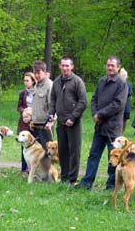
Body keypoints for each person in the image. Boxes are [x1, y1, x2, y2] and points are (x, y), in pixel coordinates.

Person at [77, 56, 127, 190]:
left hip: (113, 128)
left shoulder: (122, 84)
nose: (110, 68)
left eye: (113, 65)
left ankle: (111, 185)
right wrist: (95, 114)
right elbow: (94, 99)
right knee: (93, 155)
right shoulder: (101, 81)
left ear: (118, 67)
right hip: (99, 127)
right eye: (108, 65)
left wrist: (100, 114)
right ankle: (86, 183)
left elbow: (118, 104)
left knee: (114, 158)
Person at [49, 57, 87, 185]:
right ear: (60, 66)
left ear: (72, 67)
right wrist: (51, 113)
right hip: (60, 122)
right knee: (63, 151)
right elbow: (53, 99)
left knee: (74, 151)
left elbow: (83, 102)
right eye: (63, 65)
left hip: (73, 123)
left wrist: (73, 117)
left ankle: (72, 178)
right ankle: (64, 177)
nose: (65, 68)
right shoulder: (57, 82)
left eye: (67, 66)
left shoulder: (77, 81)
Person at [17, 72, 36, 173]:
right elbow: (19, 107)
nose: (25, 82)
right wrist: (24, 111)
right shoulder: (22, 93)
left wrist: (32, 113)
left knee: (33, 144)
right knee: (23, 144)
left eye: (27, 80)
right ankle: (24, 168)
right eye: (24, 80)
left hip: (35, 121)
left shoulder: (37, 91)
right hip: (24, 121)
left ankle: (33, 168)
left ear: (33, 81)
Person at [31, 60, 53, 150]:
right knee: (36, 154)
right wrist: (32, 119)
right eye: (34, 73)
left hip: (45, 126)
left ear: (44, 72)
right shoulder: (36, 85)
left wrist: (50, 122)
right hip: (35, 125)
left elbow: (52, 105)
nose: (36, 75)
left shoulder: (49, 85)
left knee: (46, 153)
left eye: (38, 73)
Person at [120, 68, 132, 133]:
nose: (123, 76)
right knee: (119, 119)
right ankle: (118, 132)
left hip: (126, 104)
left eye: (125, 75)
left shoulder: (129, 84)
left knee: (125, 119)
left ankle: (122, 132)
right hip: (119, 104)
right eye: (122, 75)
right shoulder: (117, 84)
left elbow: (129, 93)